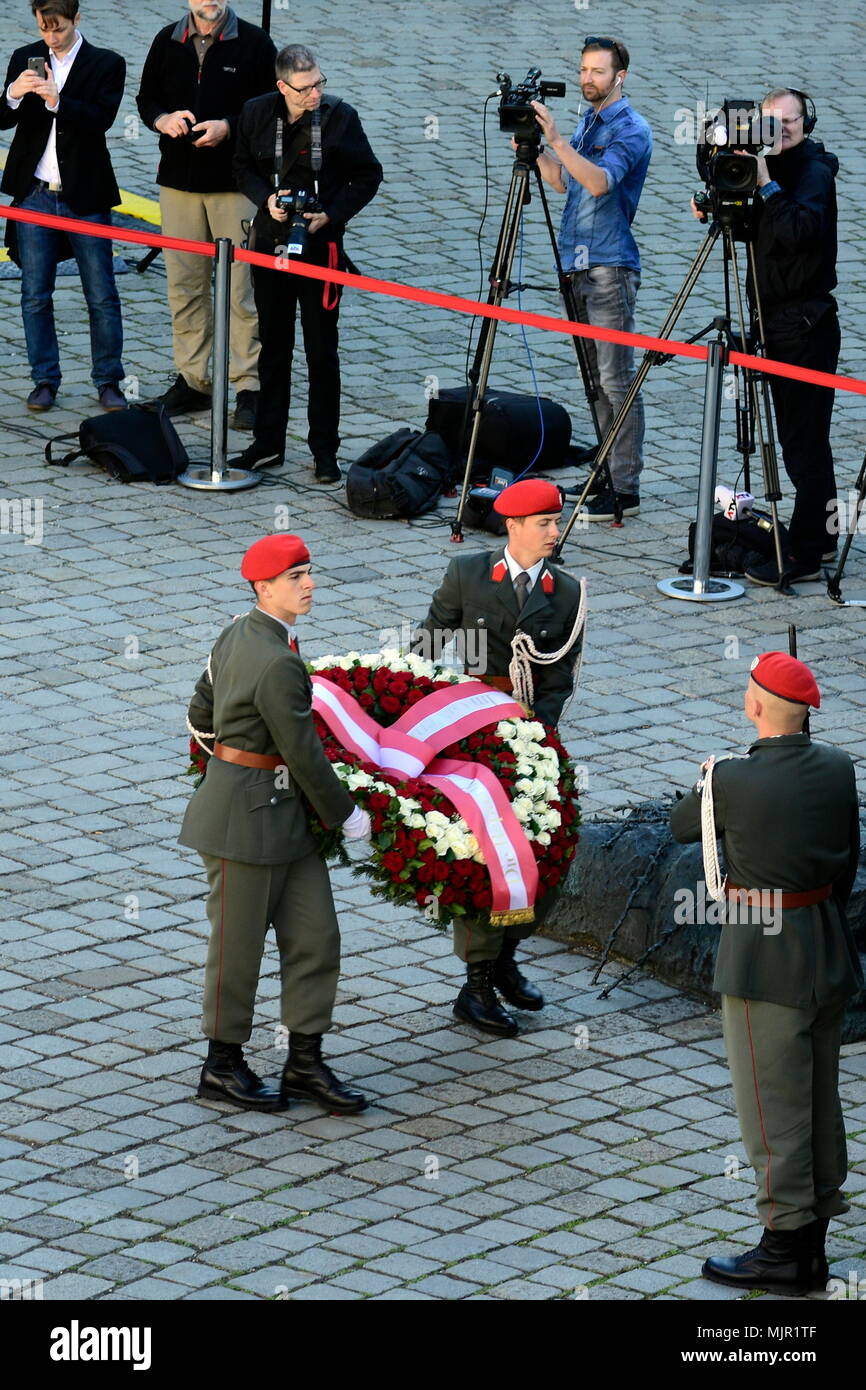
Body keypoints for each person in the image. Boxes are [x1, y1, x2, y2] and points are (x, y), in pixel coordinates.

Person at [670, 651, 863, 1294]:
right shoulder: (839, 767)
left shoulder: (728, 778)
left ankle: (784, 1246)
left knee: (771, 1105)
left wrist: (708, 782)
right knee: (817, 1096)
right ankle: (812, 1240)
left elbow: (680, 826)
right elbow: (846, 866)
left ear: (755, 706)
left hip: (763, 956)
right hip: (825, 944)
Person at [179, 533, 373, 1115]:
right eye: (296, 577)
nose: (309, 584)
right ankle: (222, 1066)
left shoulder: (242, 632)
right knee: (236, 950)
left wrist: (231, 757)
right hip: (244, 826)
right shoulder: (275, 659)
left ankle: (305, 1062)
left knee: (315, 938)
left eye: (309, 572)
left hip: (282, 819)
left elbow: (200, 712)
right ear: (264, 587)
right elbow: (304, 751)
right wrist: (346, 814)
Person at [414, 478, 586, 1037]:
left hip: (530, 736)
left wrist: (536, 734)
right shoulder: (468, 574)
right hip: (471, 736)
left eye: (556, 523)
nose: (555, 534)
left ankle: (508, 953)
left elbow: (558, 678)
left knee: (546, 848)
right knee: (482, 854)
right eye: (545, 524)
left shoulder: (566, 592)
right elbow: (426, 647)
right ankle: (478, 983)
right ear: (513, 527)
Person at [230, 44, 382, 481]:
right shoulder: (256, 113)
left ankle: (324, 452)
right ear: (281, 86)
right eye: (304, 88)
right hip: (268, 245)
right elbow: (241, 167)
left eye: (318, 83)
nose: (314, 93)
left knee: (321, 353)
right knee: (273, 349)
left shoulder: (340, 117)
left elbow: (368, 176)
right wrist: (267, 198)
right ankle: (267, 443)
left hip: (321, 250)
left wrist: (329, 214)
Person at [136, 2, 276, 430]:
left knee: (241, 289)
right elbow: (147, 99)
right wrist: (162, 119)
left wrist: (229, 127)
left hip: (235, 186)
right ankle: (194, 380)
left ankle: (248, 386)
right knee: (185, 285)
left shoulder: (254, 43)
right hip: (177, 184)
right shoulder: (167, 40)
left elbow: (272, 108)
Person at [533, 37, 652, 522]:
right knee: (594, 380)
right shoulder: (588, 121)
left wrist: (559, 142)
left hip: (609, 267)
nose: (587, 79)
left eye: (597, 72)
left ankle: (625, 486)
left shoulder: (631, 128)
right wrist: (533, 145)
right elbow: (564, 180)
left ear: (619, 77)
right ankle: (606, 469)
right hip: (576, 263)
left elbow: (600, 180)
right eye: (583, 69)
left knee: (617, 379)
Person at [0, 0, 126, 412]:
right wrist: (13, 95)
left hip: (85, 195)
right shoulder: (25, 57)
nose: (51, 38)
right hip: (35, 193)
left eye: (59, 29)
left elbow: (101, 119)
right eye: (44, 28)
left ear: (76, 19)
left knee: (101, 293)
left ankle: (108, 379)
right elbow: (2, 118)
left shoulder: (106, 63)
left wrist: (58, 101)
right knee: (35, 293)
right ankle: (44, 379)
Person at [742, 91, 840, 586]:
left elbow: (800, 229)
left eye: (789, 121)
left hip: (805, 326)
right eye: (770, 122)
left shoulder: (814, 172)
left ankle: (806, 550)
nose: (780, 130)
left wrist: (765, 185)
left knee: (805, 441)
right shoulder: (769, 167)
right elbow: (758, 233)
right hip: (774, 319)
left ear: (807, 120)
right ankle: (822, 535)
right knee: (800, 438)